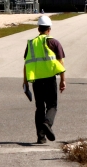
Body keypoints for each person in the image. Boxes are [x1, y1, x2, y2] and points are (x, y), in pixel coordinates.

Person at [23, 14, 66, 144]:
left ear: (38, 29)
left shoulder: (31, 44)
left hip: (36, 81)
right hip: (50, 79)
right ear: (49, 29)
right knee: (52, 106)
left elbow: (26, 64)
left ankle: (41, 137)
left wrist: (25, 83)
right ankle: (48, 123)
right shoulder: (54, 42)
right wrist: (63, 80)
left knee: (39, 108)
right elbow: (60, 62)